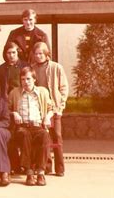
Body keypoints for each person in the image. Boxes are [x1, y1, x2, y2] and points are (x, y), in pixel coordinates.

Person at [9, 67, 53, 186]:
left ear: (34, 79)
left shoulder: (42, 92)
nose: (25, 82)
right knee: (24, 135)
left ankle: (40, 172)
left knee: (45, 135)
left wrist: (48, 116)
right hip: (23, 126)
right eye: (23, 79)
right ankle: (29, 172)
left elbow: (51, 108)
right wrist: (14, 113)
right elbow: (7, 110)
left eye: (28, 79)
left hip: (38, 126)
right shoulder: (14, 93)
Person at [31, 41, 69, 176]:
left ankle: (60, 168)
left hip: (55, 108)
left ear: (46, 54)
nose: (38, 56)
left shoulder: (56, 67)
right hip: (41, 108)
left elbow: (64, 88)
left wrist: (61, 104)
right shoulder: (33, 68)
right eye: (36, 54)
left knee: (57, 136)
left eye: (41, 53)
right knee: (44, 137)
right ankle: (46, 166)